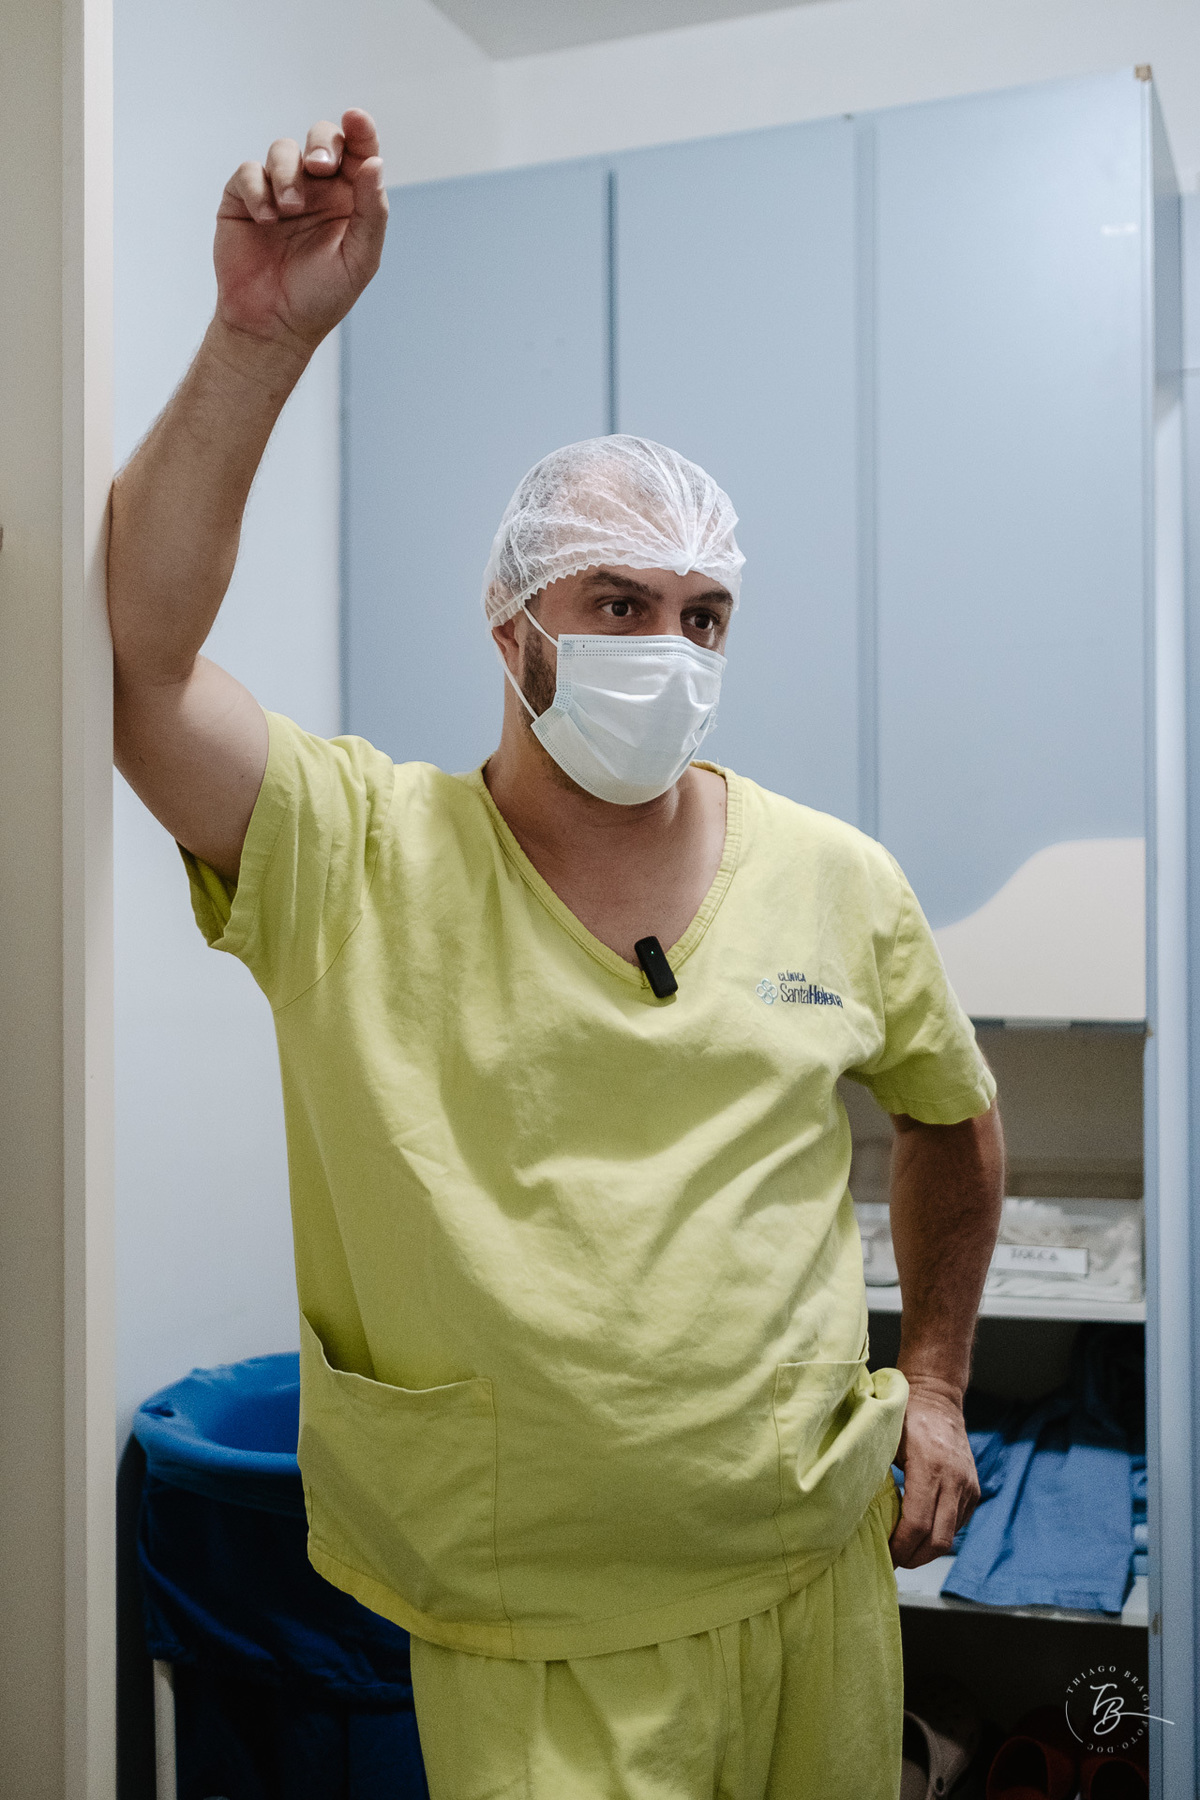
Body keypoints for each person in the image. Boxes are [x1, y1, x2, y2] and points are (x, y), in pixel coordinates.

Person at [109, 109, 1005, 1800]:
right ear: (511, 621)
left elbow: (951, 1119)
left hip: (815, 1575)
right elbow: (142, 663)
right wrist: (256, 339)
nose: (670, 651)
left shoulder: (839, 879)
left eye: (703, 615)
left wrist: (940, 1383)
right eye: (618, 605)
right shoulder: (353, 856)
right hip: (535, 1634)